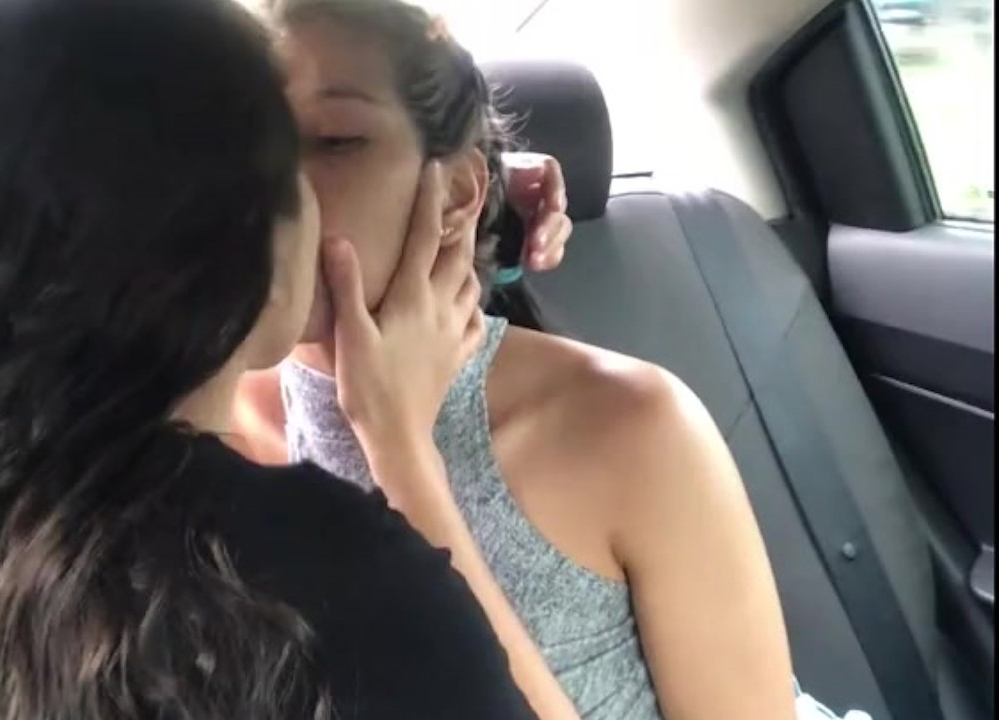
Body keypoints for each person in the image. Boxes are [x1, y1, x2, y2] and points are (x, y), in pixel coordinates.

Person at [0, 0, 576, 718]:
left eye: (333, 145)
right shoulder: (347, 584)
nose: (316, 197)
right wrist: (400, 450)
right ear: (229, 224)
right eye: (287, 158)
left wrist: (481, 183)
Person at [232, 1, 799, 719]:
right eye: (235, 140)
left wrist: (400, 456)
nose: (265, 187)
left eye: (336, 141)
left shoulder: (629, 428)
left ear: (457, 191)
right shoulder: (198, 432)